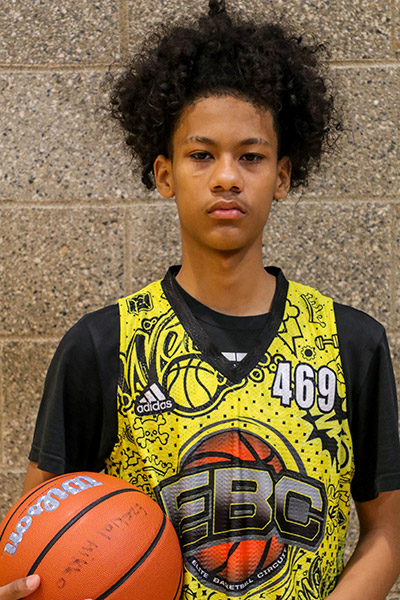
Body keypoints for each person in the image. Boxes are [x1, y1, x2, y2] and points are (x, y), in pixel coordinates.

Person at [6, 0, 400, 598]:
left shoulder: (352, 342)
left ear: (283, 175)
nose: (227, 177)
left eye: (251, 156)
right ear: (165, 174)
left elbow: (388, 531)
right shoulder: (103, 344)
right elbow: (36, 538)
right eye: (201, 155)